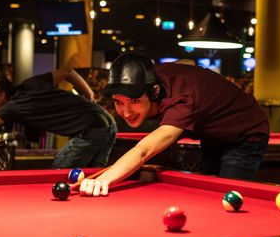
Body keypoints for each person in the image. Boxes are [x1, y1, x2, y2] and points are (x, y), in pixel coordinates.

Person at [77, 53, 269, 196]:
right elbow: (185, 65)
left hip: (245, 133)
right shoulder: (146, 77)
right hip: (212, 134)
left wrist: (105, 179)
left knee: (229, 197)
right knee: (212, 194)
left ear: (154, 92)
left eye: (134, 101)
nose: (126, 112)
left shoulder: (182, 102)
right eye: (118, 102)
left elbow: (143, 151)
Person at [0, 67, 117, 169]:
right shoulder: (32, 83)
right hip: (108, 123)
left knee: (58, 174)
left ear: (1, 94)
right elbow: (68, 72)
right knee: (92, 176)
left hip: (91, 130)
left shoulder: (13, 107)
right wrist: (89, 93)